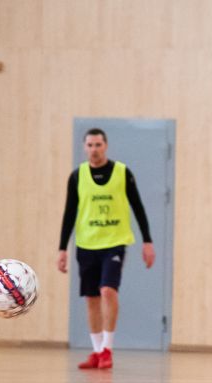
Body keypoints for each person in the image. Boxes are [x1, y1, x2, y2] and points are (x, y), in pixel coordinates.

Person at [58, 128, 156, 370]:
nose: (94, 149)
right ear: (84, 148)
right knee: (91, 298)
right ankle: (96, 351)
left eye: (98, 145)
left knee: (108, 291)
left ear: (106, 146)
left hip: (114, 242)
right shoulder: (77, 176)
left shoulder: (122, 173)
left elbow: (138, 207)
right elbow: (69, 213)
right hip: (86, 244)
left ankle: (107, 350)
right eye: (90, 145)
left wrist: (147, 241)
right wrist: (62, 248)